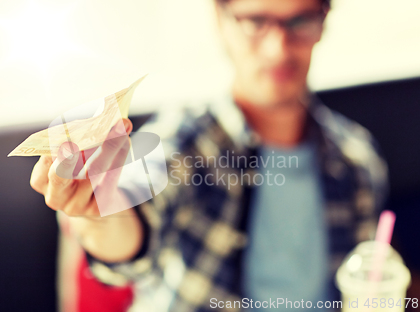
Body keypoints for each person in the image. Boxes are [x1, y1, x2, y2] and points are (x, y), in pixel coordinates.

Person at [30, 0, 388, 311]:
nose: (277, 48)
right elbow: (138, 216)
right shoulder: (189, 142)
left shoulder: (357, 160)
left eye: (300, 20)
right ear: (221, 18)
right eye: (255, 21)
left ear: (323, 20)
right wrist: (102, 213)